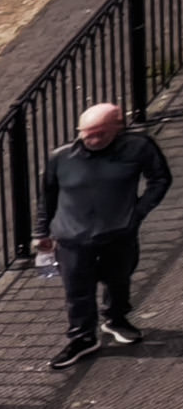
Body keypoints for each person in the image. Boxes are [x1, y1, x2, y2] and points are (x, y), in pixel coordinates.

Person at [36, 98, 172, 368]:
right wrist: (40, 232)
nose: (94, 140)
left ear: (117, 128)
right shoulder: (61, 157)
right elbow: (47, 196)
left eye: (101, 134)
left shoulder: (138, 147)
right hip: (72, 237)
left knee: (118, 280)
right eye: (88, 134)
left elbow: (160, 178)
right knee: (77, 291)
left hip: (118, 232)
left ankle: (115, 319)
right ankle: (82, 337)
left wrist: (137, 212)